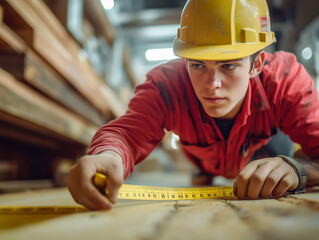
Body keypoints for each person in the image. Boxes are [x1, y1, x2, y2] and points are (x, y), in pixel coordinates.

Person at [68, 0, 319, 210]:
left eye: (228, 65)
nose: (212, 84)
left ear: (256, 65)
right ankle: (206, 172)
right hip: (205, 163)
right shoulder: (167, 86)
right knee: (204, 175)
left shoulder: (284, 82)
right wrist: (108, 155)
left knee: (277, 169)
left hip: (266, 149)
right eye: (198, 65)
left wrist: (298, 169)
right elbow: (126, 133)